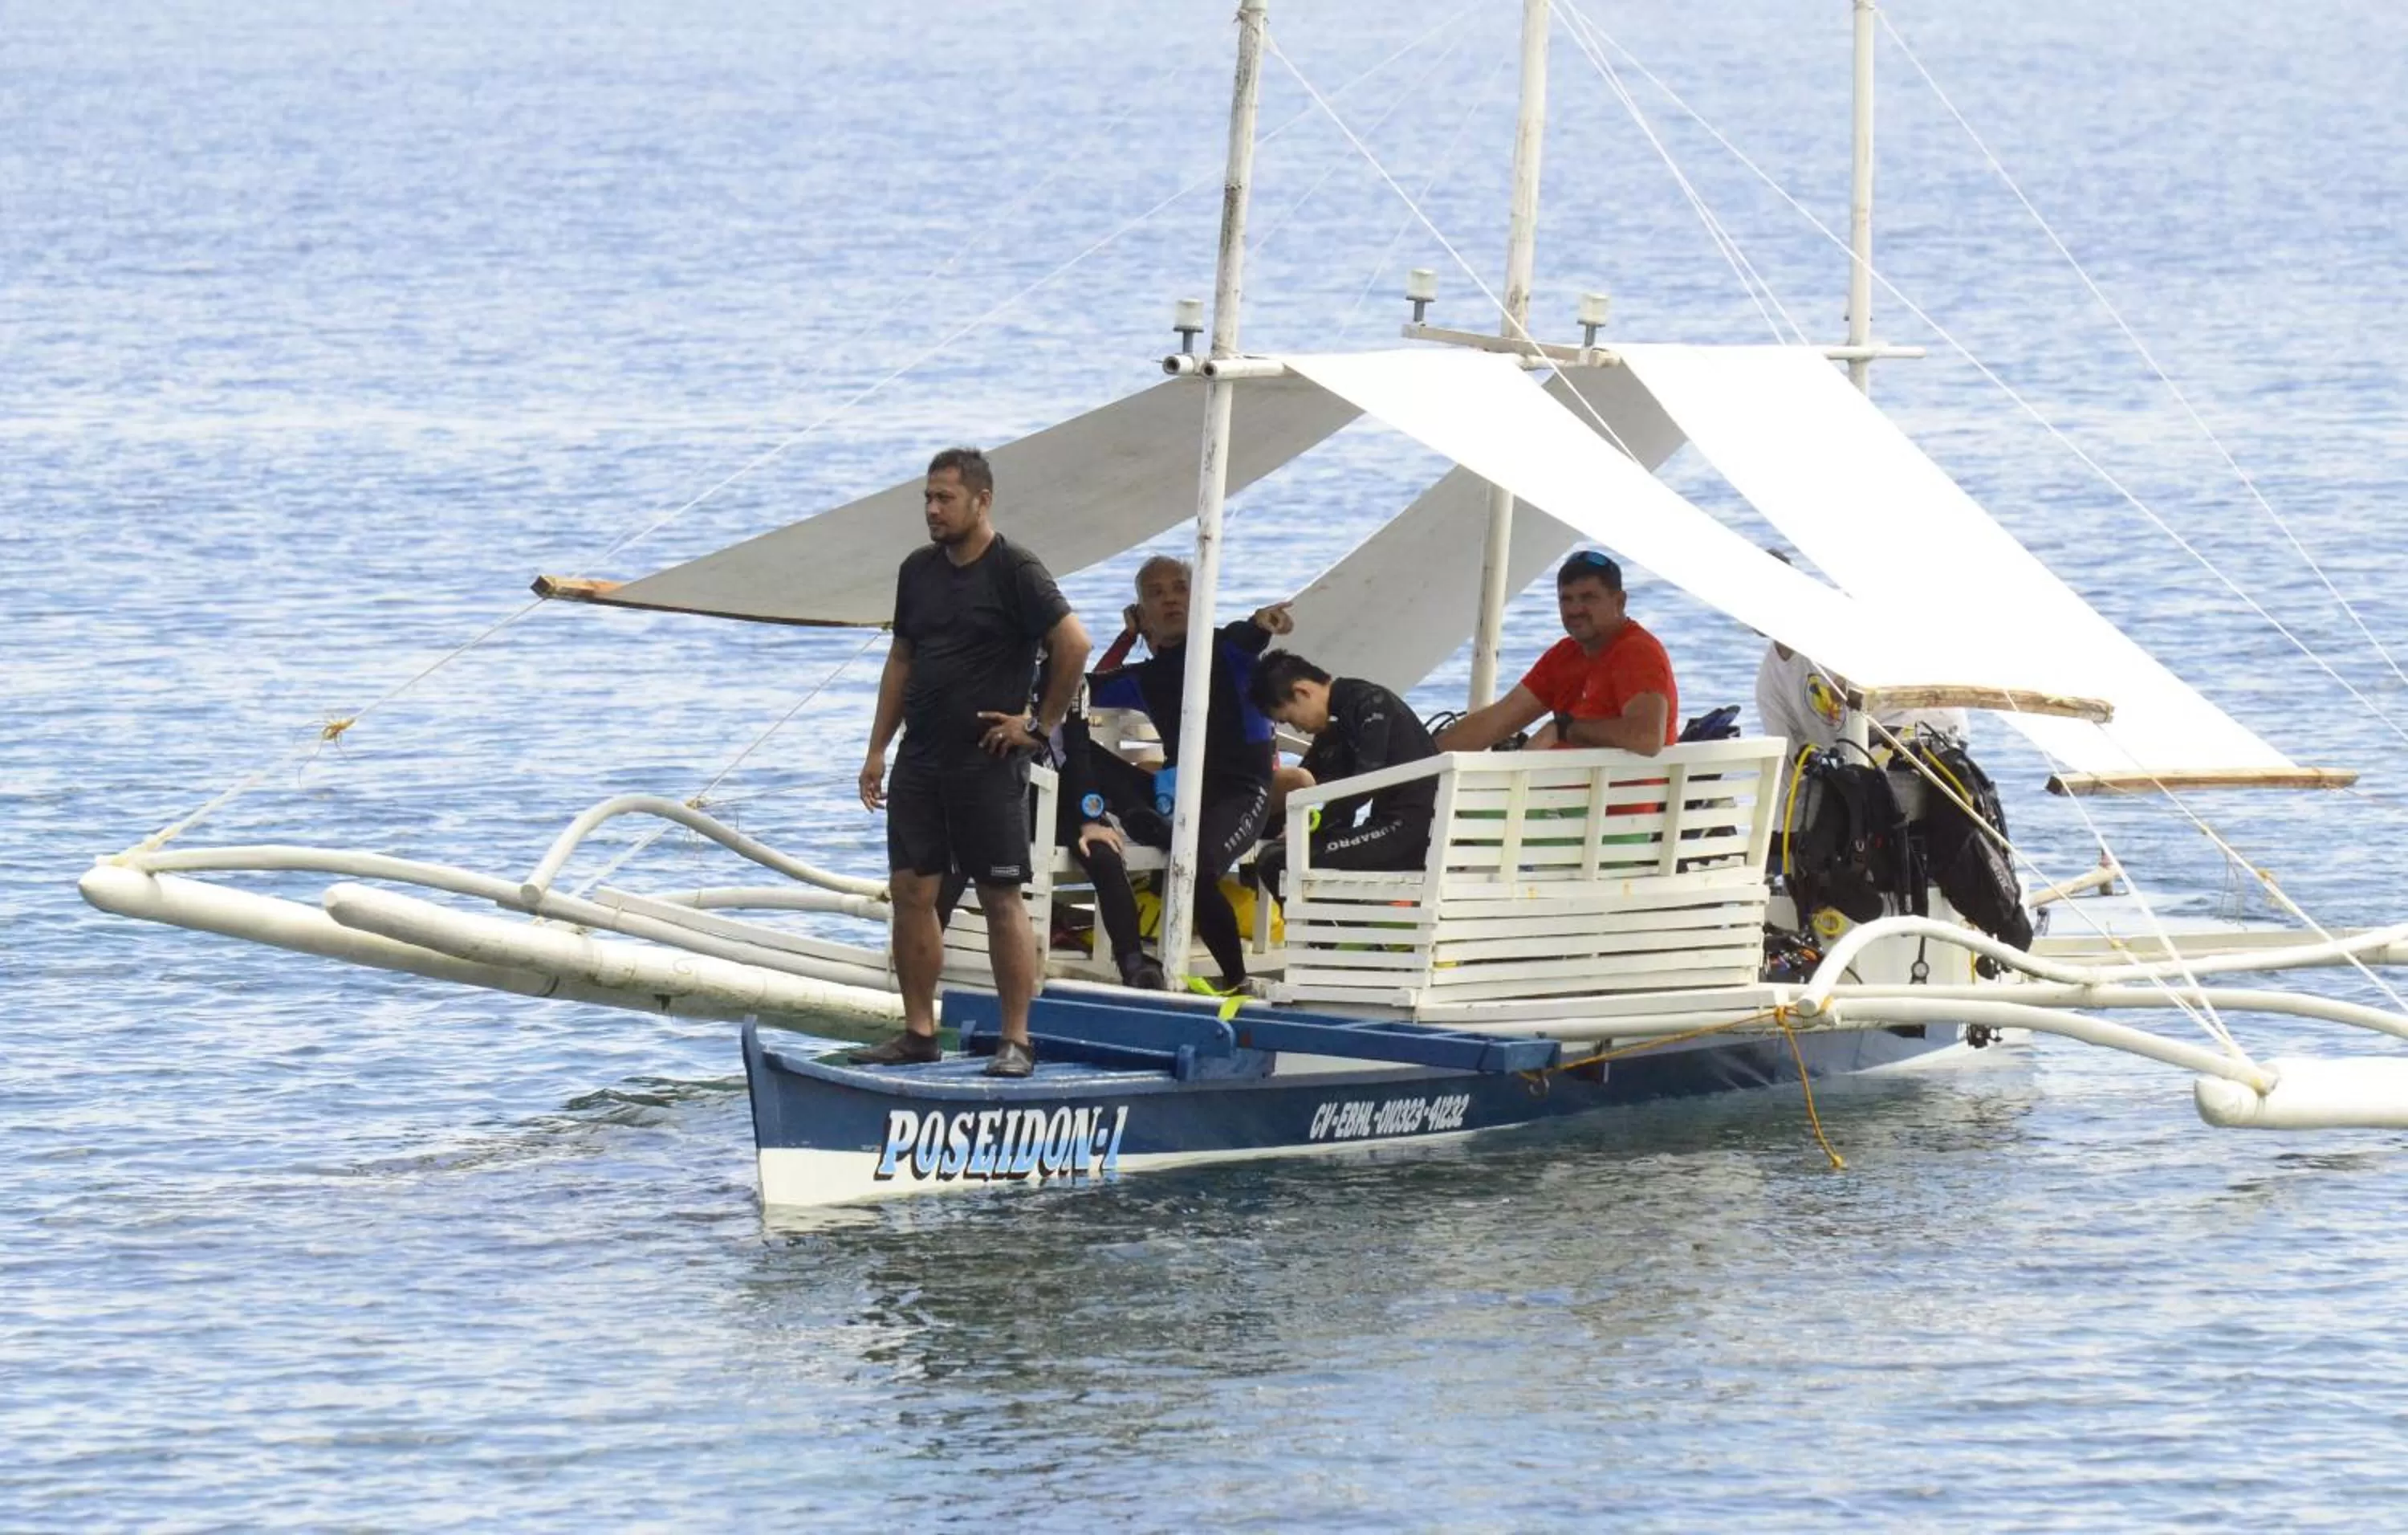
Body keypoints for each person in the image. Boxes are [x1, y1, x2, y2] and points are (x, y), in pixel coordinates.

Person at [855, 446, 1092, 1077]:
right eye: (928, 499)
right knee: (912, 891)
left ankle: (1016, 1039)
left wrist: (1039, 726)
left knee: (998, 895)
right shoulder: (918, 570)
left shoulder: (1015, 569)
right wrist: (878, 747)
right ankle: (918, 1031)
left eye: (945, 499)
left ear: (981, 501)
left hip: (986, 760)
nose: (932, 510)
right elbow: (902, 658)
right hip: (921, 759)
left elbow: (1074, 643)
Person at [1084, 554, 1291, 991]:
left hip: (1240, 790)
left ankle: (1237, 982)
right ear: (1142, 612)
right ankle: (1141, 815)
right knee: (1086, 730)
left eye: (1180, 588)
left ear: (1198, 597)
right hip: (1179, 794)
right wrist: (1127, 637)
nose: (1171, 600)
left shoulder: (1228, 647)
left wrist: (1265, 622)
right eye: (1156, 594)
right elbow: (1082, 691)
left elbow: (1251, 633)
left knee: (1194, 869)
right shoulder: (1140, 677)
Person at [1432, 550, 1678, 756]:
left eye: (1588, 598)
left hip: (1597, 808)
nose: (1575, 609)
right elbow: (1498, 720)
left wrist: (1563, 729)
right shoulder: (1565, 654)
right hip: (1560, 798)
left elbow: (1646, 738)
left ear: (1620, 602)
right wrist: (1419, 759)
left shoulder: (1635, 651)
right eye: (1566, 599)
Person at [1246, 649, 1441, 901]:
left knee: (1277, 861)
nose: (1298, 728)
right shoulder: (1343, 714)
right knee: (1280, 853)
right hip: (1397, 832)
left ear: (1303, 692)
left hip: (1409, 837)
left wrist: (1315, 822)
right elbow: (1313, 777)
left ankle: (1321, 938)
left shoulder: (1371, 703)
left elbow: (1365, 781)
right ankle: (1337, 934)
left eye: (1291, 719)